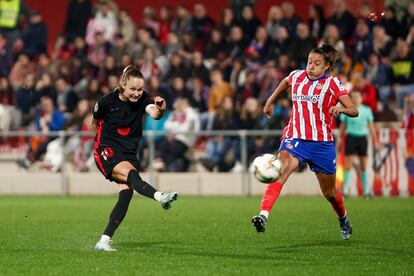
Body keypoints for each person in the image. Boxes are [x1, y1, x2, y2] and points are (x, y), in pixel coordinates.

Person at [251, 44, 358, 240]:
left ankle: (343, 218)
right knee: (281, 170)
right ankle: (263, 215)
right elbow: (285, 81)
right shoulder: (297, 76)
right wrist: (270, 100)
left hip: (321, 143)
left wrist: (340, 109)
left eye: (317, 64)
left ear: (326, 66)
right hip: (295, 137)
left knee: (330, 193)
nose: (311, 66)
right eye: (309, 62)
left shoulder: (332, 83)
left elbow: (354, 110)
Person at [93, 65, 178, 251]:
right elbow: (95, 119)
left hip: (129, 152)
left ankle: (104, 241)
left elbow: (154, 113)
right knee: (131, 174)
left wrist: (161, 109)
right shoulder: (107, 101)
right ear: (123, 85)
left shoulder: (144, 99)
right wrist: (101, 143)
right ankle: (159, 196)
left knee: (126, 193)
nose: (137, 93)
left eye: (140, 89)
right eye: (133, 89)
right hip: (106, 149)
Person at [338, 91, 379, 198]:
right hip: (350, 137)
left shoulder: (367, 110)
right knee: (348, 165)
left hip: (362, 138)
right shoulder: (348, 110)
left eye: (358, 97)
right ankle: (346, 191)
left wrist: (375, 141)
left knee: (364, 165)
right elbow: (343, 126)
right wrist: (338, 140)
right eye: (354, 97)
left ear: (361, 98)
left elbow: (371, 126)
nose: (356, 99)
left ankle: (366, 191)